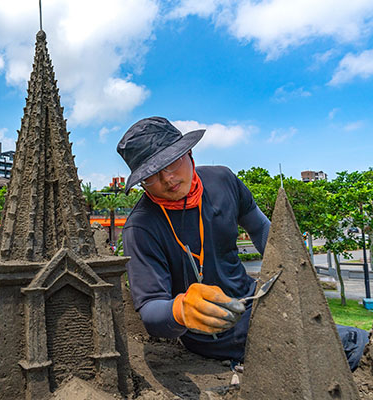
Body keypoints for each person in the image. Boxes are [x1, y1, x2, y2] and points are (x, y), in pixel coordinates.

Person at [117, 116, 368, 368]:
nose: (167, 179)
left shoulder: (222, 181)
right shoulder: (140, 228)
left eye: (171, 163)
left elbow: (261, 229)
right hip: (212, 332)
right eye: (151, 176)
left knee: (326, 330)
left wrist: (295, 271)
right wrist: (181, 310)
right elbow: (150, 309)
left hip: (254, 298)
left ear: (189, 152)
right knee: (340, 342)